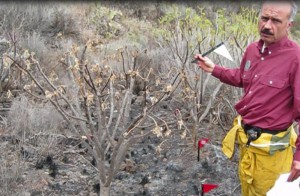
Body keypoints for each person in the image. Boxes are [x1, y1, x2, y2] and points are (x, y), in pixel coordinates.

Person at [194, 1, 300, 195]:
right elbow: (243, 78)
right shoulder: (253, 49)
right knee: (247, 189)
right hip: (247, 145)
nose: (267, 26)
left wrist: (299, 157)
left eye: (276, 20)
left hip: (272, 155)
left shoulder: (296, 58)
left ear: (289, 25)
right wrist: (214, 69)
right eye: (264, 18)